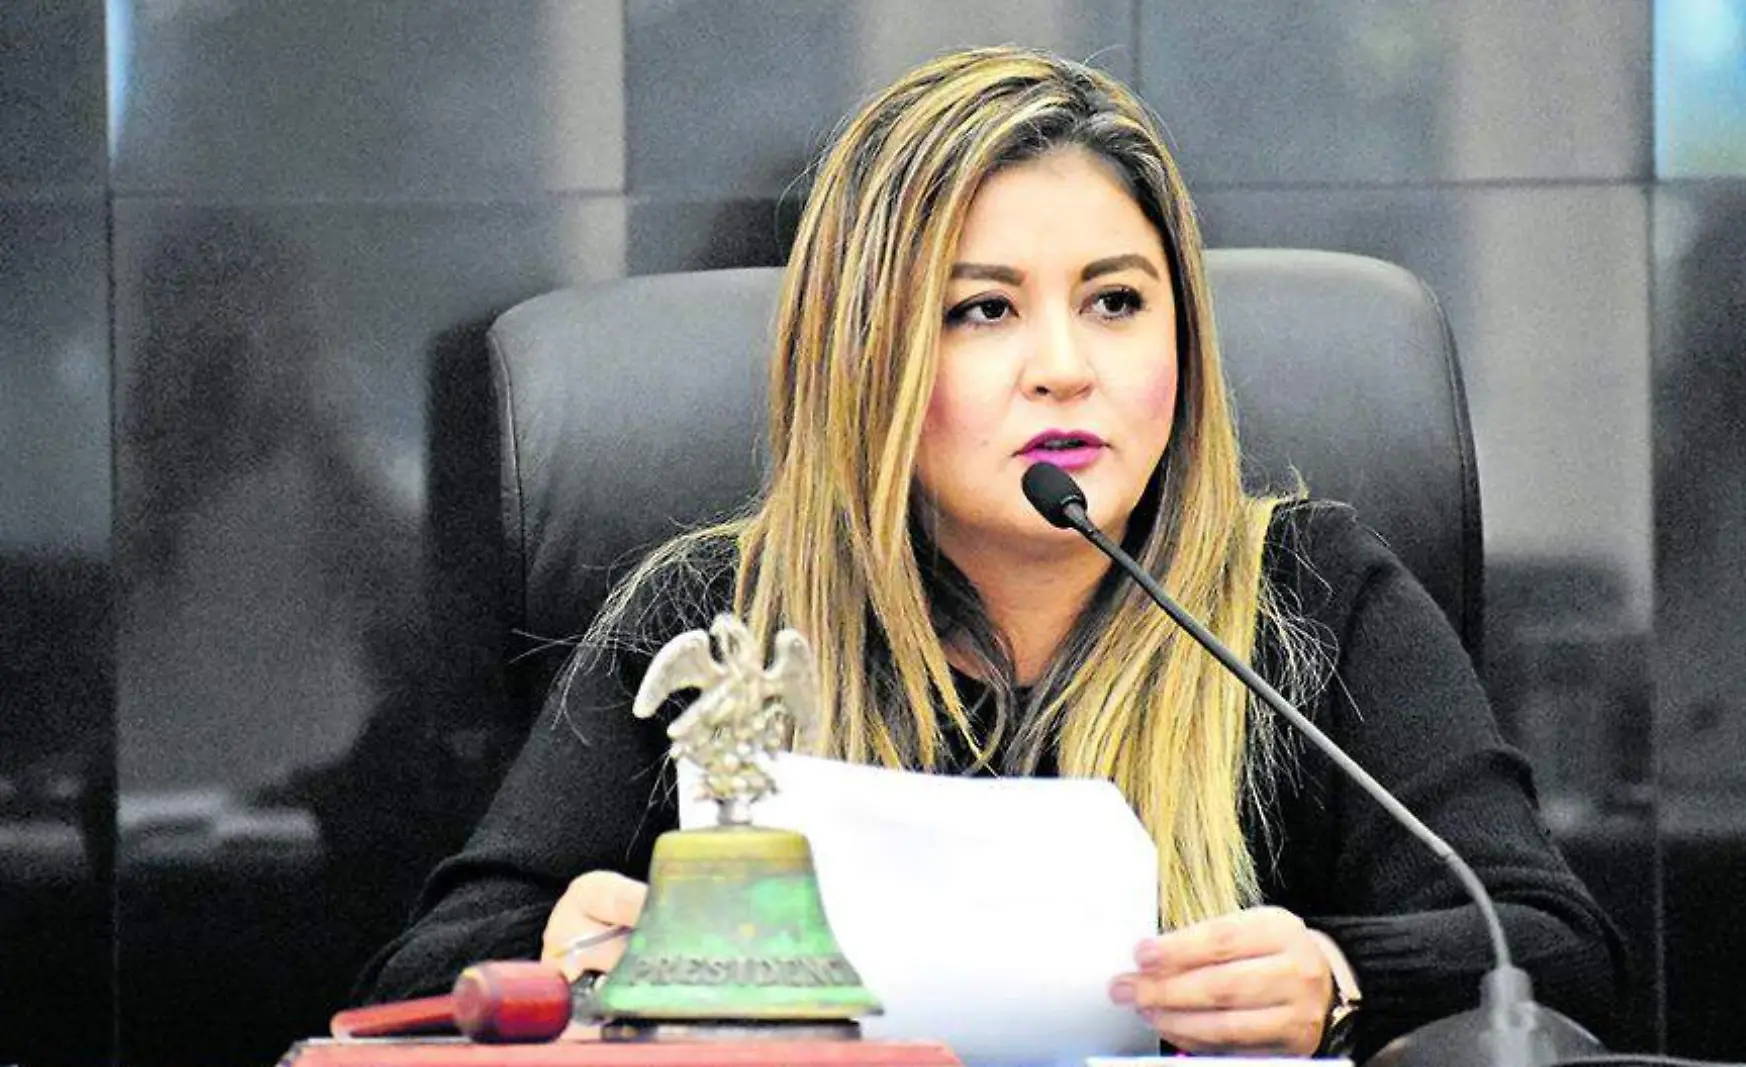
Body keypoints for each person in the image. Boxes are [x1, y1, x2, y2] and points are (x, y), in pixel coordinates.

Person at [357, 46, 1626, 1058]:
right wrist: (564, 958)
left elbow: (1554, 947)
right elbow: (420, 972)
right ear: (867, 358)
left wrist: (1342, 974)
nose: (1064, 367)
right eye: (983, 309)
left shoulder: (1307, 592)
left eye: (1116, 301)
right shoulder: (720, 615)